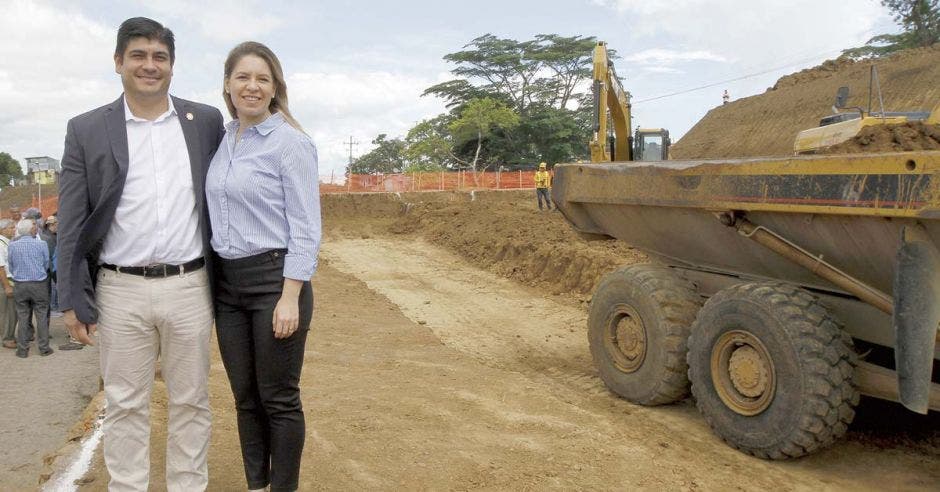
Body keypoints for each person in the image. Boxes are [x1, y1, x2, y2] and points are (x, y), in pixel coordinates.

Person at [57, 17, 224, 491]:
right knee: (125, 403)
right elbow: (72, 221)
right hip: (119, 290)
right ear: (118, 63)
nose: (150, 65)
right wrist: (72, 298)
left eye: (160, 57)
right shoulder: (85, 129)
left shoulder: (205, 121)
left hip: (190, 286)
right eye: (138, 55)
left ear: (172, 65)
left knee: (191, 401)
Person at [207, 41, 320, 492]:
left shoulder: (291, 143)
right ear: (228, 85)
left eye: (262, 79)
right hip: (227, 286)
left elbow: (306, 227)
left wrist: (290, 295)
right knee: (245, 398)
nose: (252, 87)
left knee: (279, 398)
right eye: (243, 77)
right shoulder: (222, 140)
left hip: (275, 281)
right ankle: (257, 485)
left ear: (275, 89)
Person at [8, 219, 51, 358]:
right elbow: (46, 263)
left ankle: (22, 350)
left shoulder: (12, 245)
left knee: (23, 317)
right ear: (31, 230)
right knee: (42, 315)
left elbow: (11, 264)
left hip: (20, 284)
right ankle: (44, 348)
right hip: (39, 284)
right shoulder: (42, 244)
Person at [0, 219, 16, 349]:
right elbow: (0, 267)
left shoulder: (8, 242)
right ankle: (7, 338)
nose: (14, 230)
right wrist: (6, 286)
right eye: (11, 227)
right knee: (8, 312)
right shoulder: (0, 244)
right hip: (6, 281)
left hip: (9, 280)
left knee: (10, 311)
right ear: (3, 229)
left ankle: (9, 335)